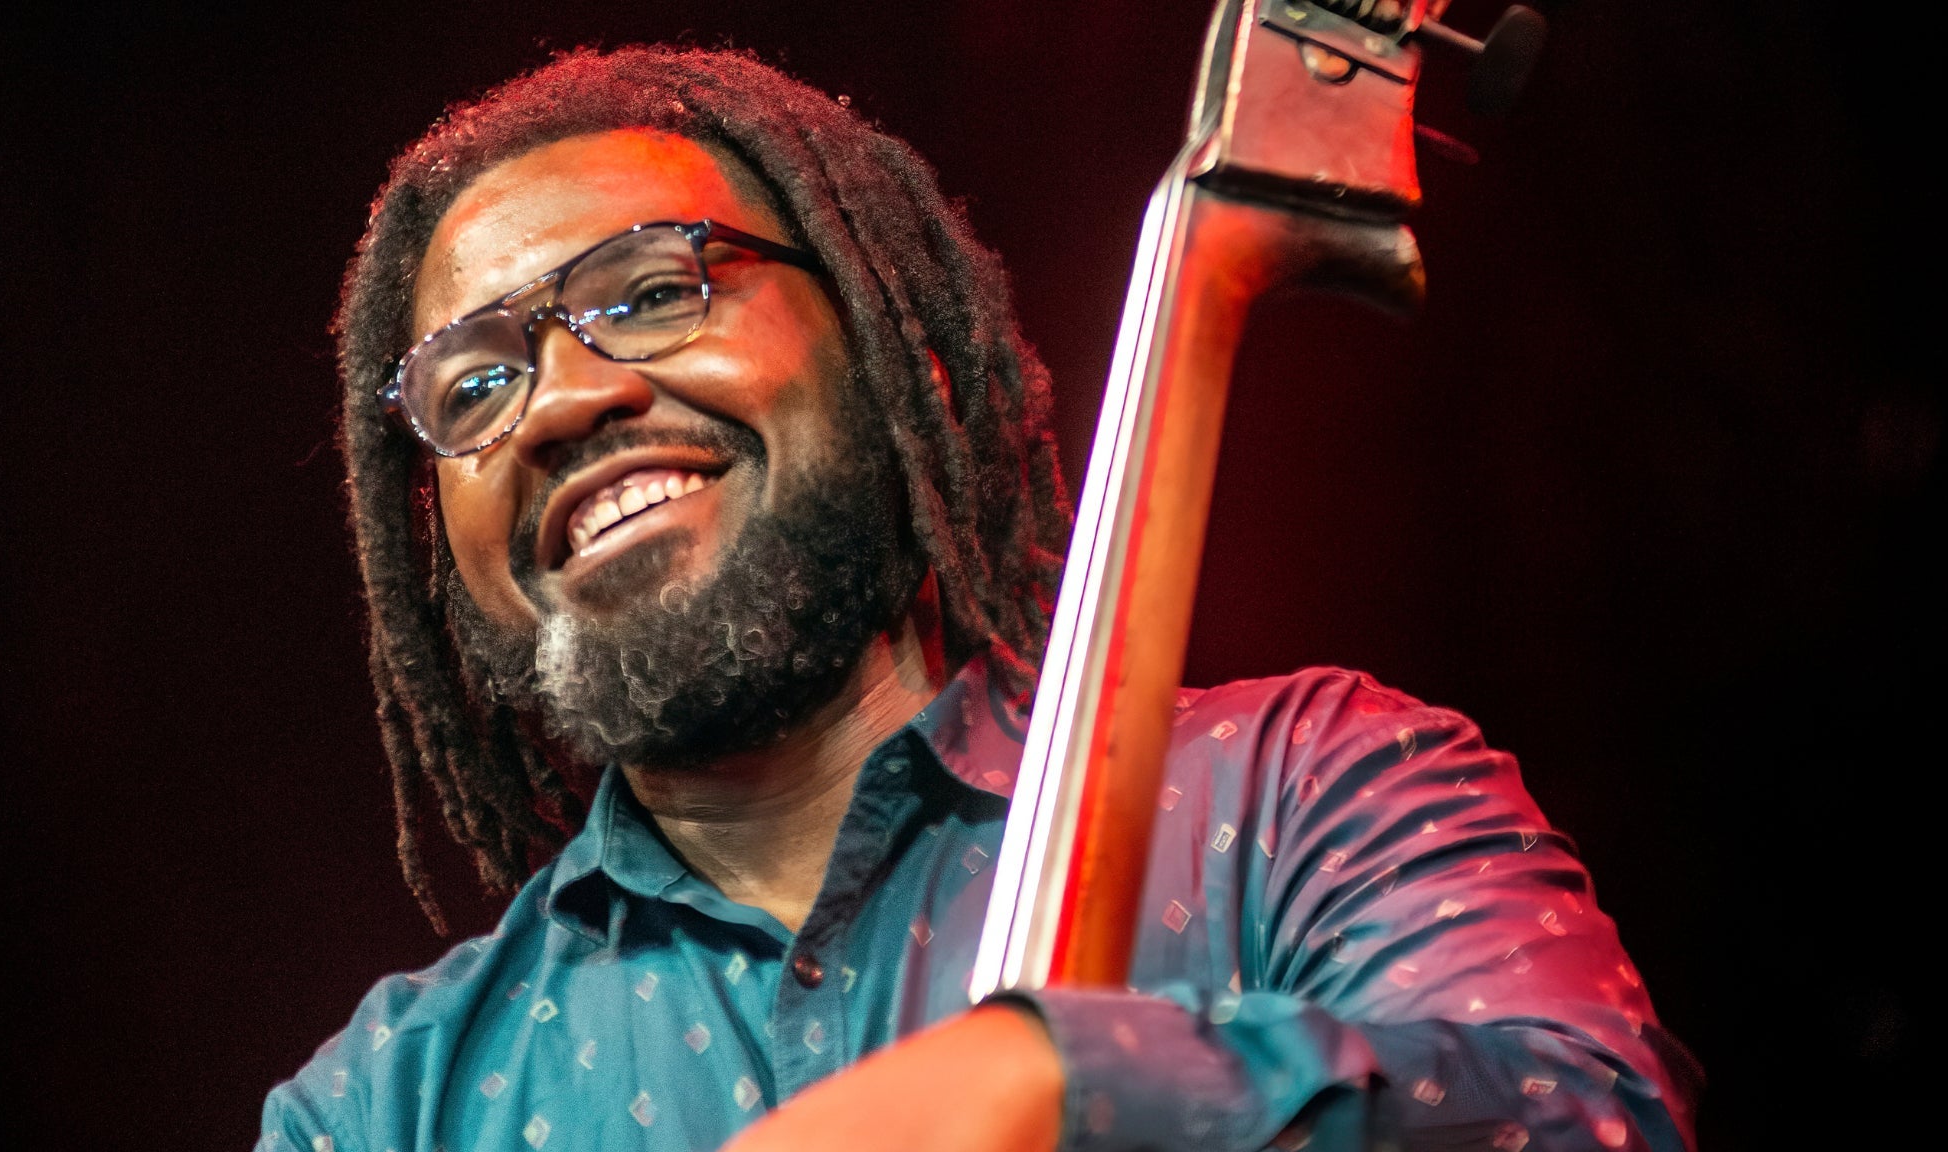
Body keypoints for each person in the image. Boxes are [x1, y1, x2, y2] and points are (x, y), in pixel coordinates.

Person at [260, 45, 1697, 1152]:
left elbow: (1586, 1114)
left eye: (650, 292)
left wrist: (1057, 1080)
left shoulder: (1307, 796)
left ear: (900, 354)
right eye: (476, 384)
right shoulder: (382, 1111)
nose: (567, 400)